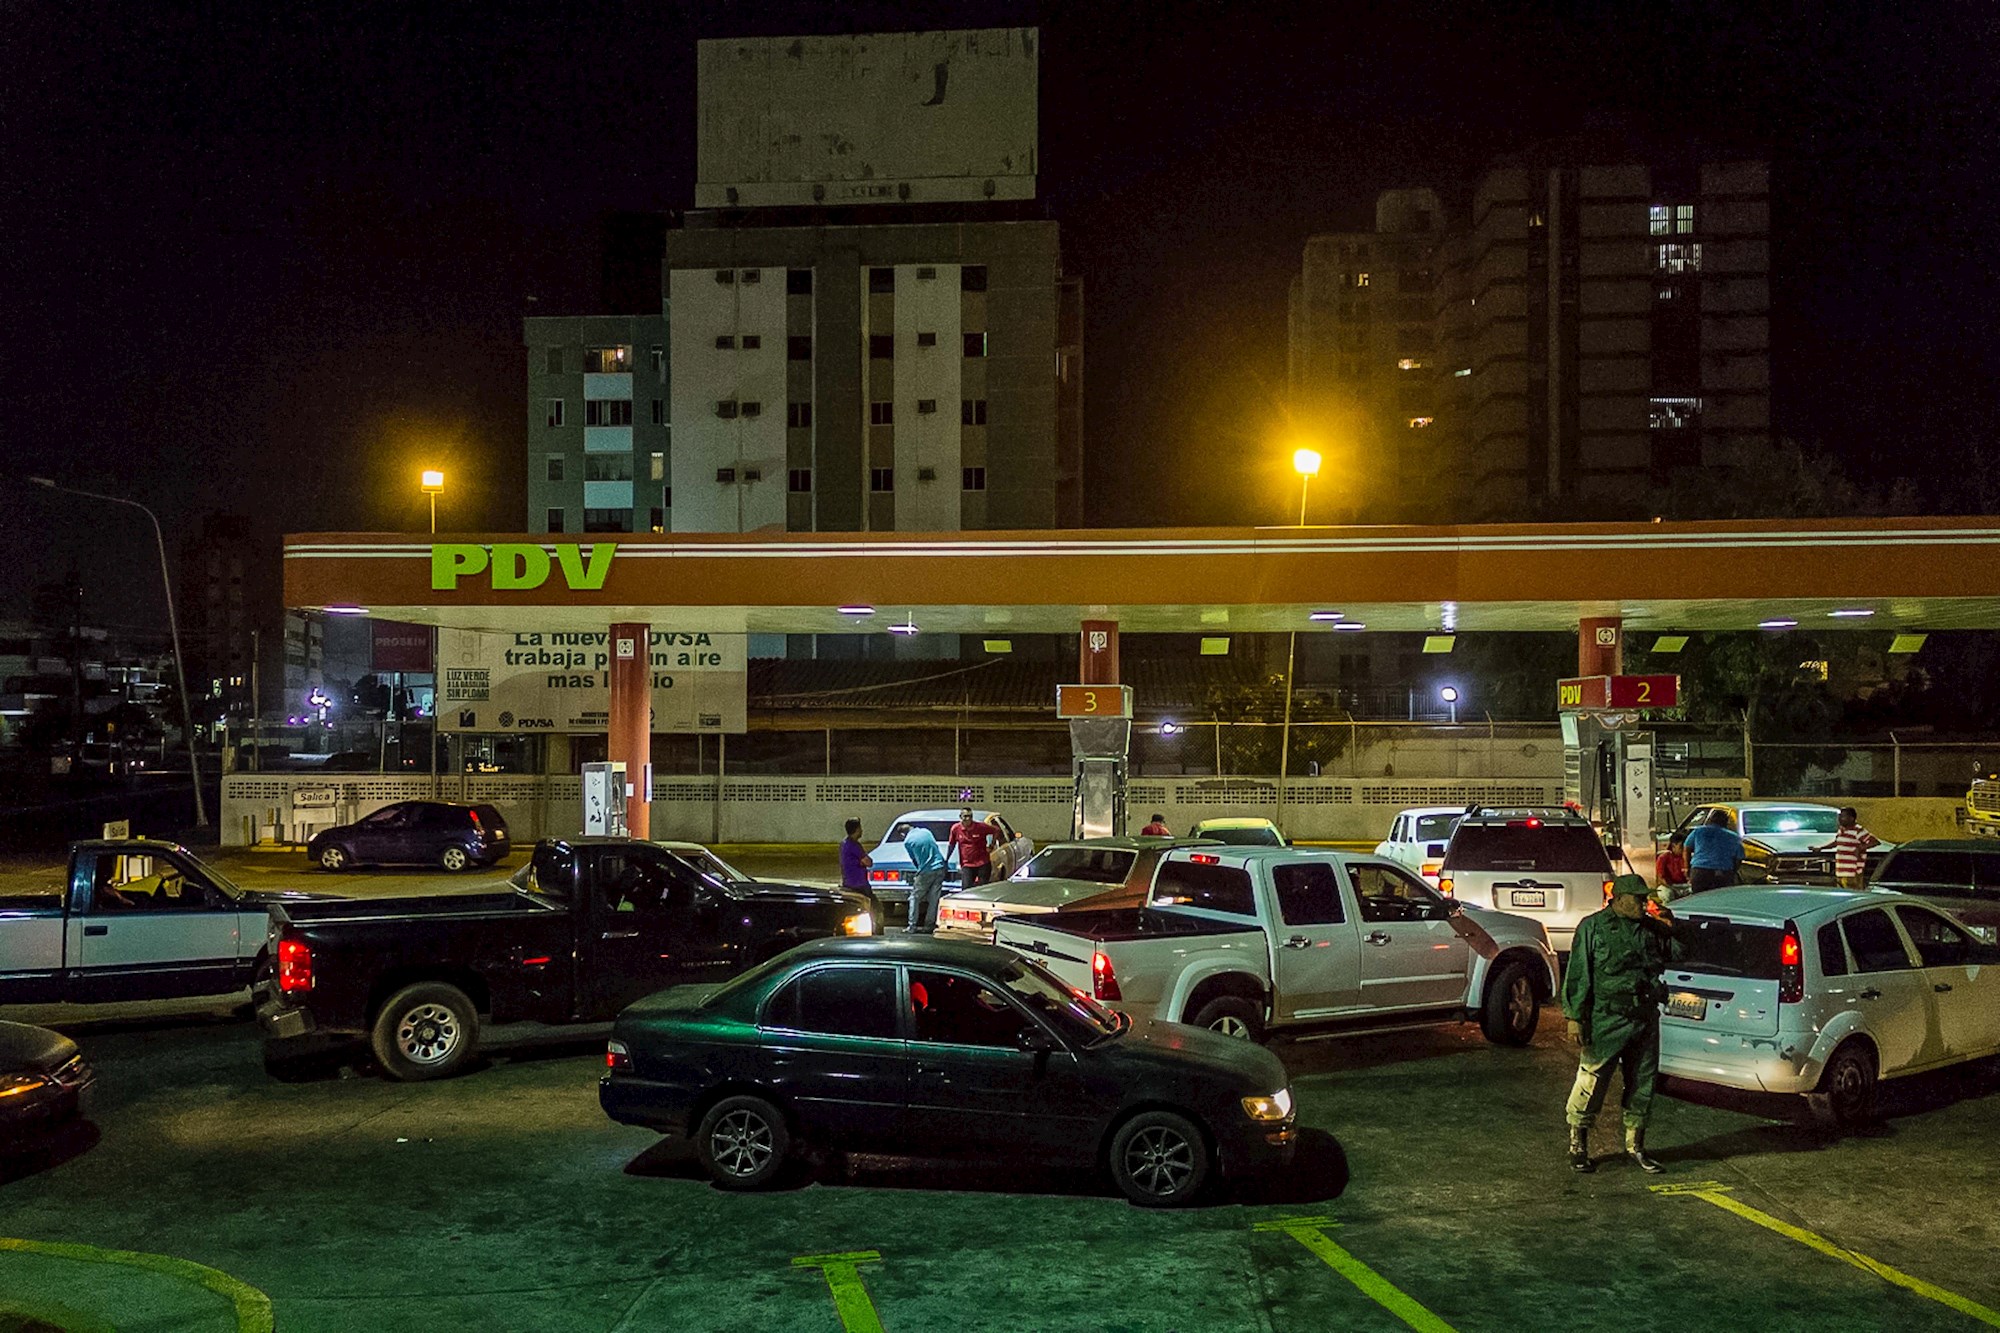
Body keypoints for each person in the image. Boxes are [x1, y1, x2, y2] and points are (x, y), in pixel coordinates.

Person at [1562, 873, 1684, 1174]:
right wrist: (1575, 1018)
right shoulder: (1593, 928)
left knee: (1643, 1082)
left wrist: (1672, 923)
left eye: (1645, 898)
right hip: (1607, 1016)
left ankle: (1635, 1145)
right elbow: (1579, 974)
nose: (1644, 903)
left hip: (1643, 1016)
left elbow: (1680, 953)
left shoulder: (1651, 929)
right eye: (1638, 898)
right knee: (1591, 1081)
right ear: (1618, 899)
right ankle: (1578, 1145)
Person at [1813, 807, 1879, 889]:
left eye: (1843, 817)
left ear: (1851, 818)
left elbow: (1875, 842)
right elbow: (1837, 842)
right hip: (1841, 870)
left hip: (1852, 871)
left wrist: (1860, 848)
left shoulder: (1858, 830)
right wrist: (1821, 848)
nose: (1840, 819)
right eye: (1839, 816)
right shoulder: (1841, 830)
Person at [1682, 809, 1744, 893]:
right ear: (1726, 822)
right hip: (1723, 872)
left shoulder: (1699, 831)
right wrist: (1732, 871)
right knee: (1721, 899)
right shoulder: (1734, 837)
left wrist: (1687, 868)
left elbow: (1686, 848)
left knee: (1698, 898)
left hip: (1700, 871)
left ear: (1710, 819)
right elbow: (1739, 858)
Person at [902, 824, 947, 934]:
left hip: (926, 870)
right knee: (934, 898)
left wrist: (919, 872)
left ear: (903, 834)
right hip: (940, 867)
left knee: (914, 898)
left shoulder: (907, 841)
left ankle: (912, 926)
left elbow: (915, 860)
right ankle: (929, 925)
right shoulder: (926, 831)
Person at [946, 808, 1002, 888]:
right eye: (965, 816)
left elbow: (996, 830)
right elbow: (952, 844)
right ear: (960, 817)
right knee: (966, 888)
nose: (968, 819)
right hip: (967, 864)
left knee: (982, 889)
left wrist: (991, 845)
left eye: (970, 816)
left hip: (982, 863)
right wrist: (947, 859)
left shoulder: (980, 827)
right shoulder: (955, 829)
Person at [839, 818, 873, 891]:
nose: (862, 830)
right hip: (859, 885)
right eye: (860, 828)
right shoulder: (854, 845)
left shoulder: (844, 844)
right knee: (873, 902)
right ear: (857, 830)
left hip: (847, 883)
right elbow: (869, 862)